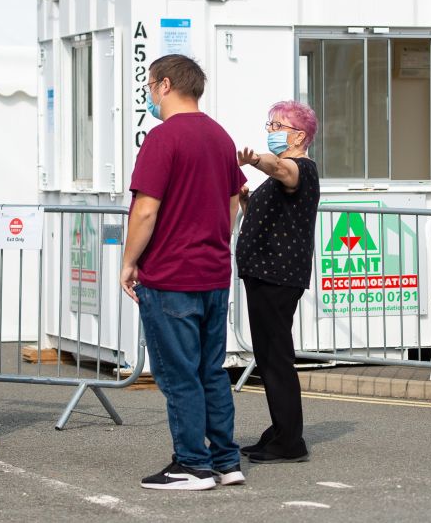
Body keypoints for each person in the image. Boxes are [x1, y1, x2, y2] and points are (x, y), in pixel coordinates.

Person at [119, 55, 246, 491]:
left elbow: (146, 209)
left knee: (178, 375)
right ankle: (226, 460)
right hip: (213, 272)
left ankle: (192, 464)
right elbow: (232, 203)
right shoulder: (220, 136)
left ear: (166, 84)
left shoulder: (162, 138)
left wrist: (129, 261)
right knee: (211, 370)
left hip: (171, 273)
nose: (149, 94)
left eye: (150, 86)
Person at [235, 101, 319, 463]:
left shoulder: (299, 168)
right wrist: (245, 204)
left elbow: (283, 170)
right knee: (268, 356)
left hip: (277, 276)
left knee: (277, 357)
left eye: (277, 125)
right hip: (264, 274)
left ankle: (290, 440)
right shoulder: (279, 174)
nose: (270, 131)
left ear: (299, 135)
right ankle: (280, 430)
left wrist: (254, 161)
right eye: (269, 124)